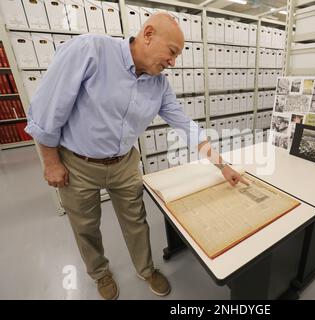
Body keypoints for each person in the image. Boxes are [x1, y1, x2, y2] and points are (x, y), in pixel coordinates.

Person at [25, 13, 247, 300]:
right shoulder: (90, 51)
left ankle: (146, 269)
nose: (173, 62)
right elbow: (47, 111)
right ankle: (100, 273)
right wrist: (51, 162)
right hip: (77, 164)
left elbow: (186, 127)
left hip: (125, 162)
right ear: (148, 34)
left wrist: (223, 166)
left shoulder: (160, 86)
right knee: (85, 225)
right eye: (172, 52)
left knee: (136, 221)